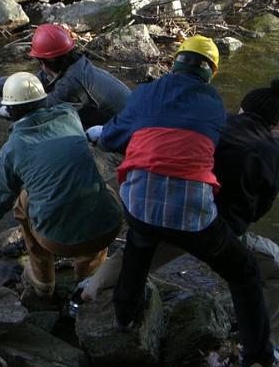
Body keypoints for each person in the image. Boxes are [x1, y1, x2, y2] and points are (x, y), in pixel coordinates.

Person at [86, 35, 275, 367]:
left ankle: (122, 315)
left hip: (138, 202)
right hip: (195, 213)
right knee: (243, 272)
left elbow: (113, 139)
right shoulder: (215, 105)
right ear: (211, 72)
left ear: (175, 61)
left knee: (140, 243)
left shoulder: (145, 93)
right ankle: (258, 355)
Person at [0, 72, 122, 297]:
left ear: (10, 110)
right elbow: (43, 112)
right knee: (101, 188)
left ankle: (42, 279)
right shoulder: (70, 115)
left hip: (58, 241)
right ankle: (87, 270)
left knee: (22, 200)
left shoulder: (13, 149)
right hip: (108, 228)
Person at [0, 24, 131, 127]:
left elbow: (36, 110)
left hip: (129, 133)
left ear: (45, 60)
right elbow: (19, 85)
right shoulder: (70, 66)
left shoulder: (73, 83)